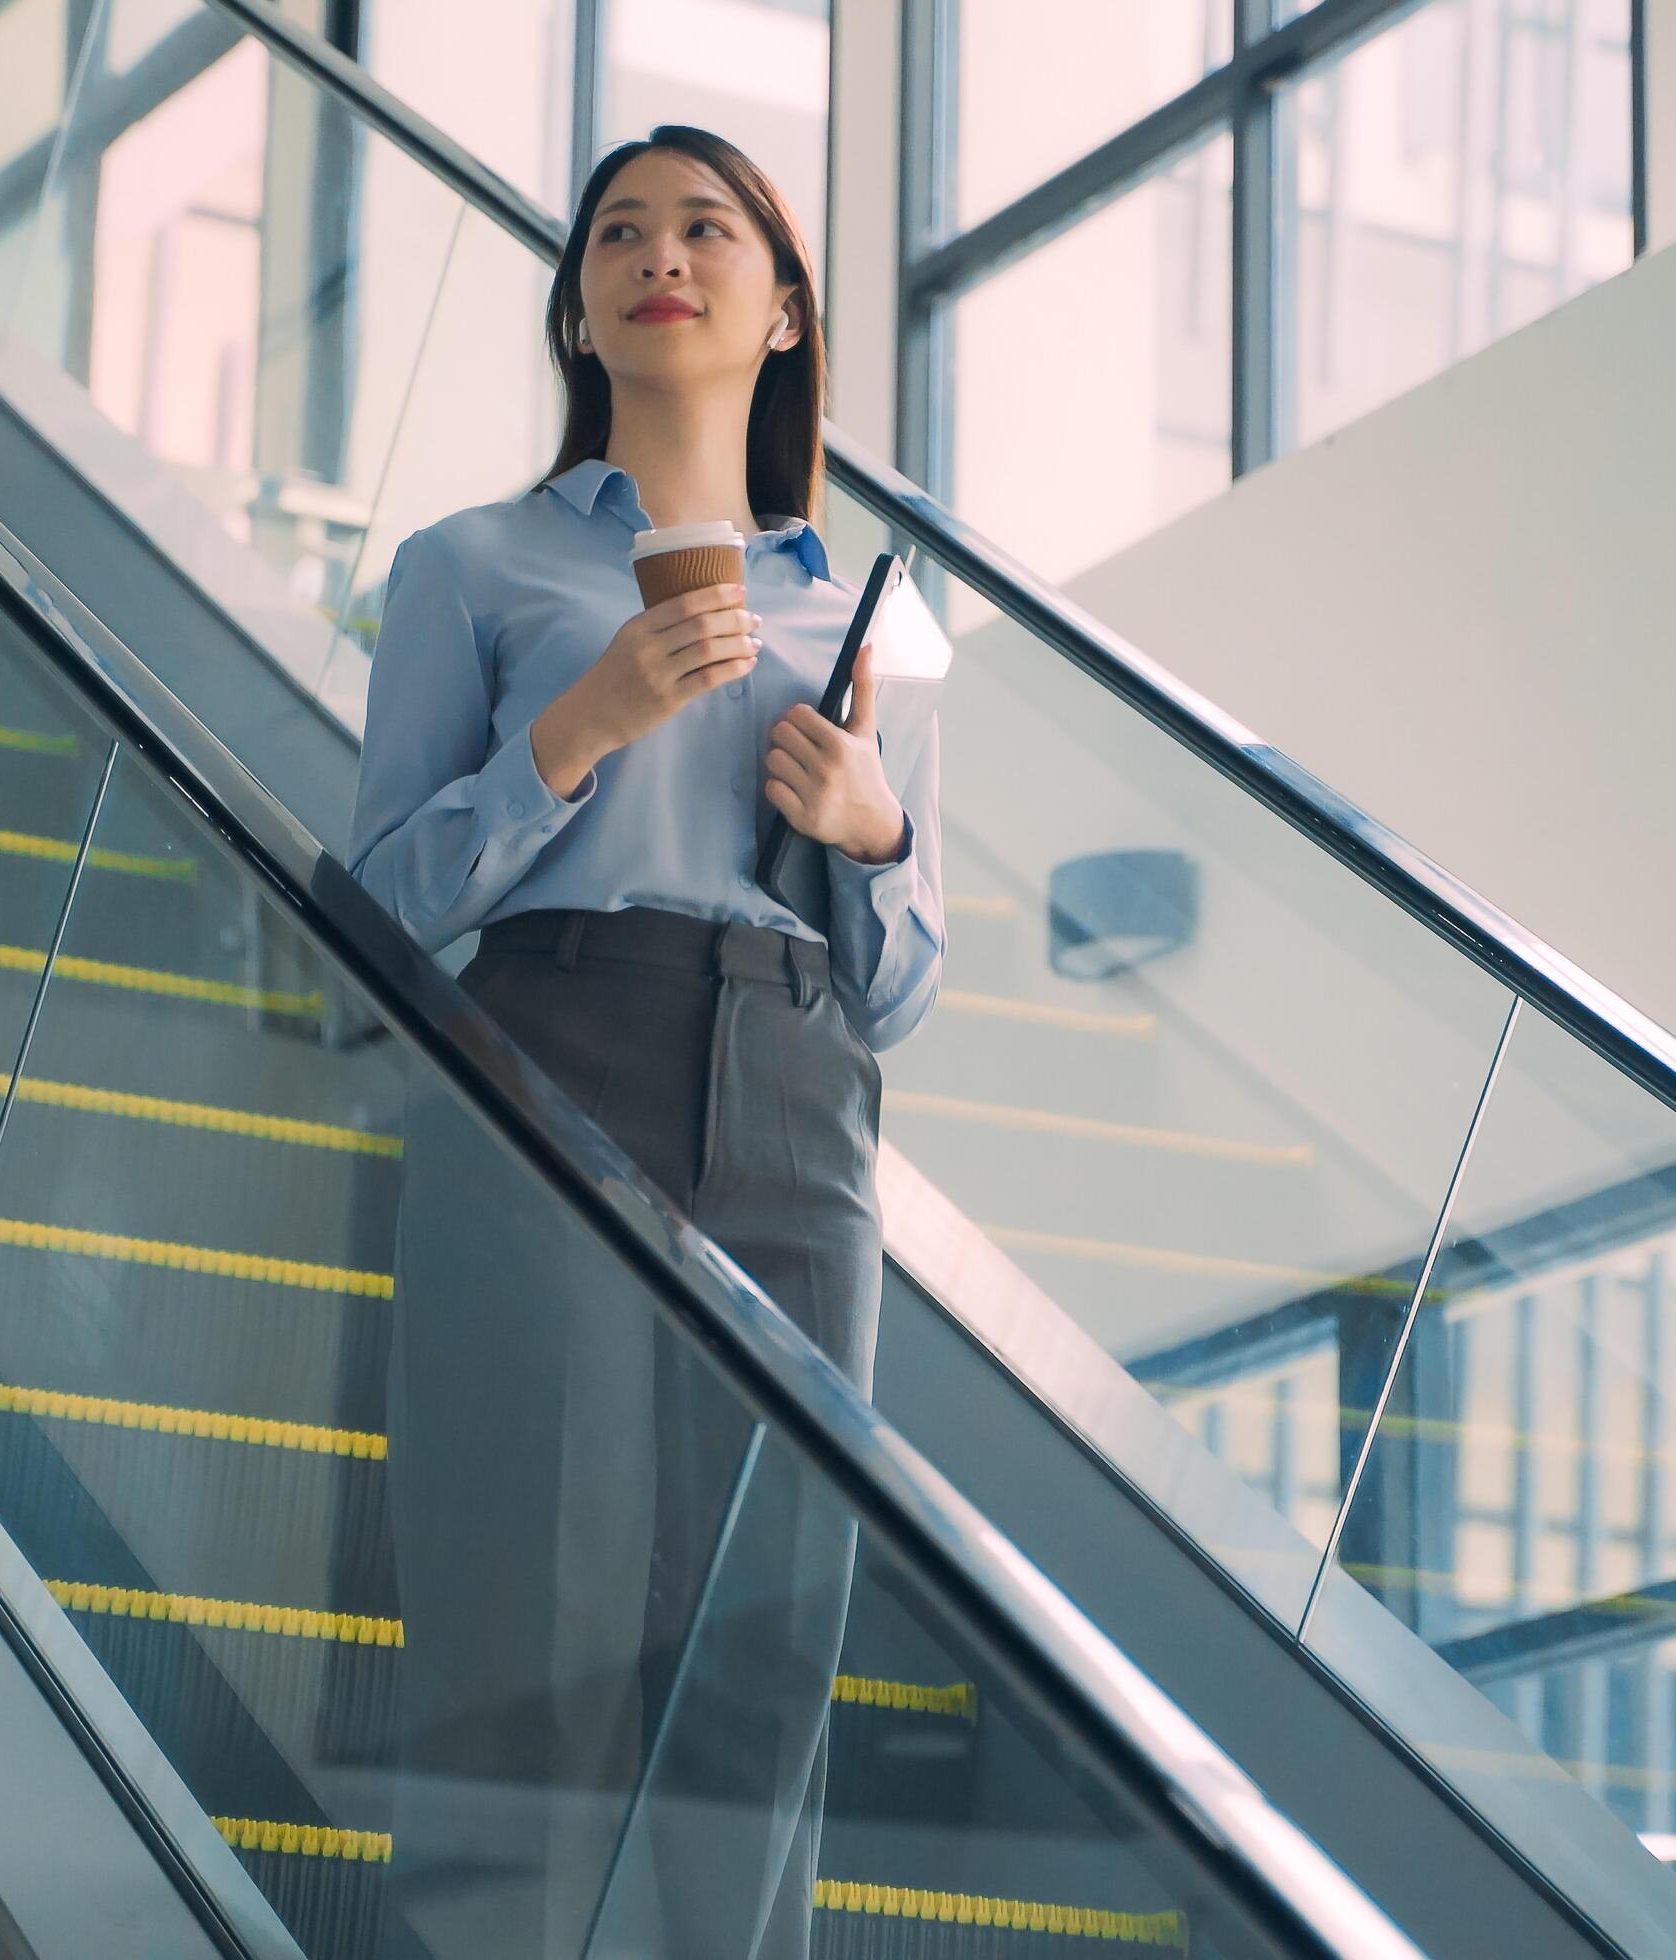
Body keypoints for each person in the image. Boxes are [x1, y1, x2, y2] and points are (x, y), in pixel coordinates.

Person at [343, 124, 946, 1960]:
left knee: (766, 1653)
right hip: (543, 1062)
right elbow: (371, 902)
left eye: (705, 227)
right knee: (528, 1636)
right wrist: (575, 730)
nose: (656, 253)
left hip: (796, 1106)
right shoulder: (475, 566)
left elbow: (907, 988)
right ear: (579, 307)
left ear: (783, 310)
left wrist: (874, 835)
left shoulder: (874, 620)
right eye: (618, 232)